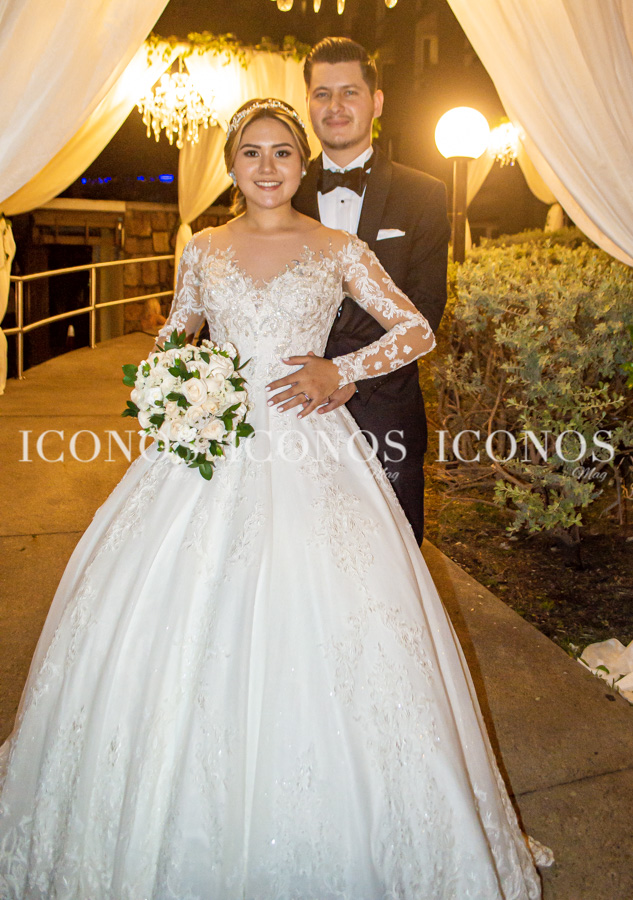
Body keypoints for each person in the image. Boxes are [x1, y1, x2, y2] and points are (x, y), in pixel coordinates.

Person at [0, 98, 545, 899]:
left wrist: (340, 370)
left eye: (282, 151)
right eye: (251, 152)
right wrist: (168, 385)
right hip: (210, 445)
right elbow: (178, 331)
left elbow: (415, 329)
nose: (266, 166)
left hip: (308, 444)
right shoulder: (202, 247)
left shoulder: (337, 248)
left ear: (301, 163)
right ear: (231, 164)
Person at [293, 37, 451, 544]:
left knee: (392, 554)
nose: (335, 106)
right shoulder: (279, 191)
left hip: (385, 409)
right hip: (294, 408)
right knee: (301, 552)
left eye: (350, 92)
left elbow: (426, 306)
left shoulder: (423, 194)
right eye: (322, 94)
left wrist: (349, 374)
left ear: (376, 102)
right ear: (308, 103)